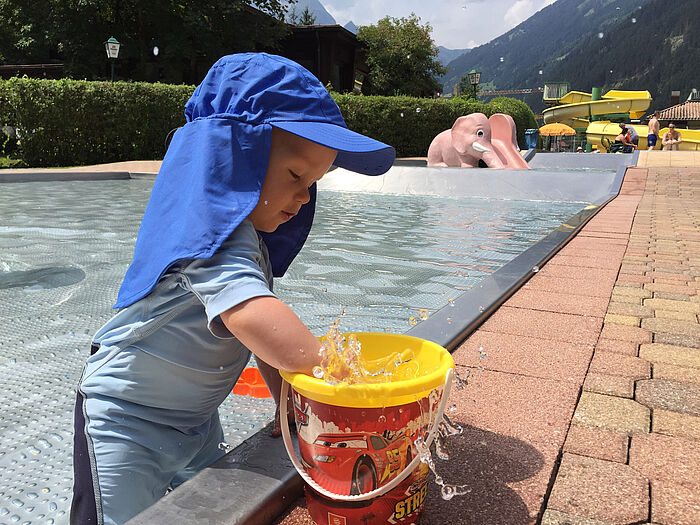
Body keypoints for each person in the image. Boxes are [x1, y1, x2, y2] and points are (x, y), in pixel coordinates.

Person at [70, 53, 395, 525]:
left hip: (195, 423)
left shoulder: (246, 239)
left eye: (314, 183)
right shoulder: (208, 234)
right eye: (294, 175)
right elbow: (254, 316)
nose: (305, 196)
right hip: (124, 422)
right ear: (232, 158)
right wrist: (337, 380)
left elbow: (260, 338)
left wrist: (291, 408)